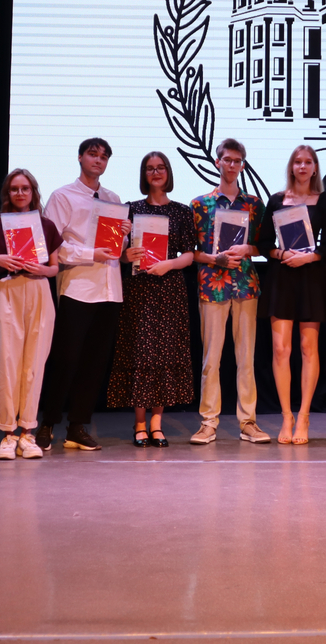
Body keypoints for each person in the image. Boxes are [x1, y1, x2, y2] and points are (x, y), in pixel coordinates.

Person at [34, 138, 130, 452]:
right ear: (80, 157)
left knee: (94, 362)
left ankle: (77, 426)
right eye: (92, 154)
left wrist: (124, 237)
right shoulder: (63, 196)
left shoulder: (113, 199)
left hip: (110, 289)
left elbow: (117, 249)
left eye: (104, 156)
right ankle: (47, 423)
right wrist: (91, 253)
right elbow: (54, 246)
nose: (98, 160)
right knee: (65, 359)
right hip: (78, 288)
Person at [108, 152, 197, 447]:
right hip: (139, 290)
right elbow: (119, 254)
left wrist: (168, 264)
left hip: (170, 289)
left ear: (168, 172)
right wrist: (126, 254)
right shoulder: (131, 210)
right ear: (143, 174)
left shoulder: (182, 211)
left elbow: (189, 254)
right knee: (140, 354)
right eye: (150, 168)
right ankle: (139, 423)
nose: (155, 172)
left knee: (165, 355)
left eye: (160, 168)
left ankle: (157, 423)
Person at [189, 138, 271, 445]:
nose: (232, 165)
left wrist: (248, 248)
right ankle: (208, 423)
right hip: (213, 285)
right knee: (211, 358)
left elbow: (265, 246)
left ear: (243, 165)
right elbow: (191, 252)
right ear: (218, 163)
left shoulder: (254, 204)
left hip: (245, 285)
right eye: (227, 160)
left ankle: (248, 422)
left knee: (246, 358)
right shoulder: (200, 204)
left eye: (237, 161)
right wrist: (215, 259)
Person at [0, 168, 61, 460]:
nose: (20, 193)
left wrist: (44, 270)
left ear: (33, 192)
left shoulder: (46, 225)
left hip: (38, 290)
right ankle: (7, 433)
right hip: (6, 291)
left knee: (34, 363)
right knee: (6, 362)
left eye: (25, 188)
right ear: (8, 193)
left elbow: (55, 267)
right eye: (14, 188)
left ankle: (27, 432)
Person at [258, 145, 326, 445]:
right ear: (291, 167)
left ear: (315, 168)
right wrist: (281, 254)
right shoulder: (277, 200)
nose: (303, 167)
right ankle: (286, 416)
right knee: (281, 349)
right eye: (298, 162)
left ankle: (303, 415)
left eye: (308, 162)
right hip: (282, 277)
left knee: (307, 347)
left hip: (311, 278)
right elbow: (264, 242)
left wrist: (311, 257)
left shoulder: (324, 200)